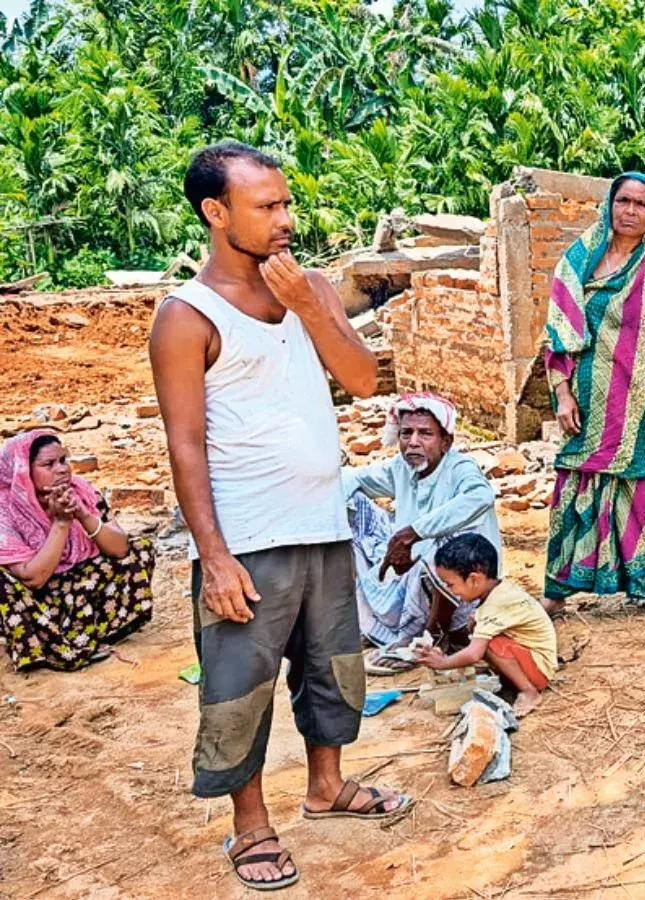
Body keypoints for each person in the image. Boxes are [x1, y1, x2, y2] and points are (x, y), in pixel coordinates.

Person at [149, 140, 410, 893]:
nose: (285, 220)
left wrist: (309, 304)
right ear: (215, 212)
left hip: (324, 526)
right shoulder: (186, 316)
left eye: (287, 203)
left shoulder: (309, 287)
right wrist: (214, 555)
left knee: (334, 671)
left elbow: (362, 381)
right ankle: (251, 826)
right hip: (249, 538)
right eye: (267, 207)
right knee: (242, 685)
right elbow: (185, 443)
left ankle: (327, 787)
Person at [542, 172, 645, 621]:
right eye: (623, 201)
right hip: (591, 405)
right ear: (609, 205)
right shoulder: (577, 260)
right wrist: (562, 394)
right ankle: (558, 589)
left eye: (641, 204)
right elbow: (557, 331)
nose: (630, 211)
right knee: (575, 488)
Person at [343, 392, 501, 670]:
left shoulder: (461, 468)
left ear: (446, 442)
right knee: (349, 503)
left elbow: (481, 497)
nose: (413, 442)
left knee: (446, 545)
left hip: (463, 587)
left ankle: (433, 636)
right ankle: (373, 621)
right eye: (406, 433)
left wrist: (414, 532)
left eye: (425, 434)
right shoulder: (401, 467)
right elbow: (351, 478)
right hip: (411, 572)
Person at [0, 430, 154, 671]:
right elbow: (33, 578)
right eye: (48, 464)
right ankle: (48, 647)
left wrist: (82, 514)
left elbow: (121, 548)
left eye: (63, 460)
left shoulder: (82, 491)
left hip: (80, 588)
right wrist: (61, 523)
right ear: (23, 470)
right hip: (36, 601)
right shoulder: (5, 510)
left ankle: (98, 632)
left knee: (140, 549)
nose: (62, 469)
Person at [417, 533, 557, 718]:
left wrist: (443, 663)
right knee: (477, 627)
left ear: (474, 579)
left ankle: (529, 691)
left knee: (489, 643)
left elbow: (474, 653)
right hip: (533, 658)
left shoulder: (496, 603)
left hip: (540, 669)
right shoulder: (499, 591)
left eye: (450, 584)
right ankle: (510, 677)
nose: (449, 590)